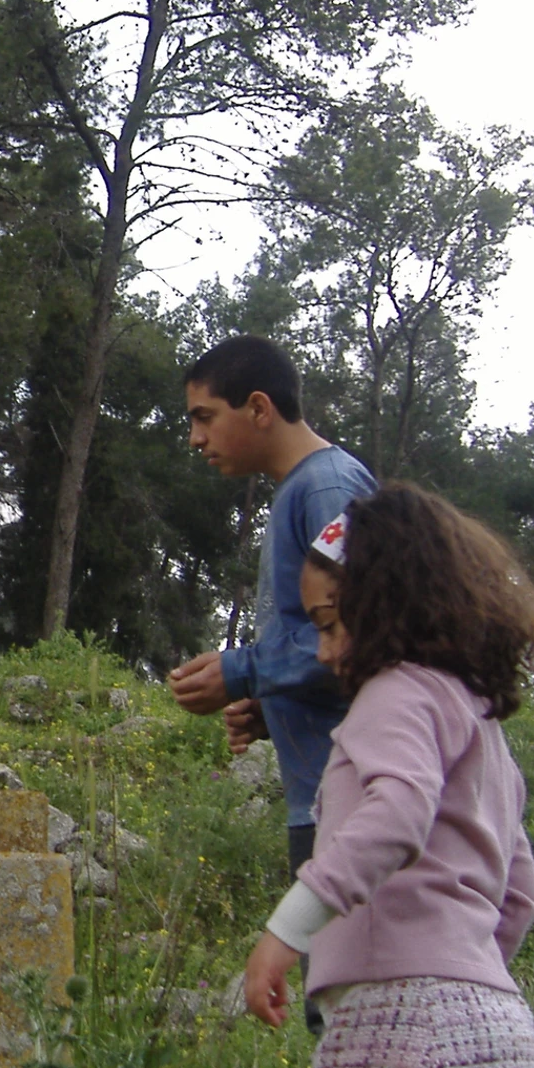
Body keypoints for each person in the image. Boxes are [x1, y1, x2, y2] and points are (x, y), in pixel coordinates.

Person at [243, 485, 534, 1068]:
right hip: (493, 1030)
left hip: (396, 1022)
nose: (325, 651)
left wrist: (287, 929)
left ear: (388, 605)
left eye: (332, 623)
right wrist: (464, 965)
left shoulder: (392, 696)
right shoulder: (478, 722)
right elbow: (520, 891)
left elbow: (395, 812)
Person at [171, 335, 376, 886]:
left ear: (259, 407)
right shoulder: (300, 491)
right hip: (326, 800)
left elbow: (365, 634)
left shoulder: (326, 490)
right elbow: (325, 650)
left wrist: (243, 672)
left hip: (362, 802)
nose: (195, 439)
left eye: (205, 417)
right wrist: (276, 702)